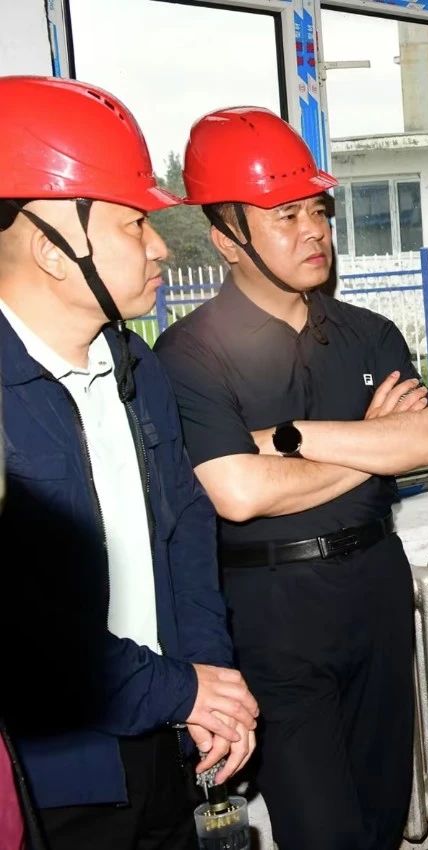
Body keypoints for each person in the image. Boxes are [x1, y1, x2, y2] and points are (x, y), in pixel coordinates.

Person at [153, 106, 428, 850]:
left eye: (318, 211)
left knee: (383, 813)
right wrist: (370, 443)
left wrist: (288, 440)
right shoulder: (188, 355)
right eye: (286, 216)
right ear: (226, 239)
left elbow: (423, 442)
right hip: (271, 611)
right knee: (321, 831)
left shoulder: (369, 334)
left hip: (375, 588)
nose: (314, 230)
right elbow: (239, 493)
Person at [0, 75, 256, 849]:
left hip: (164, 736)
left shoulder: (136, 368)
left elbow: (187, 537)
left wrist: (210, 685)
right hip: (56, 777)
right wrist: (184, 690)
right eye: (133, 223)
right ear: (51, 249)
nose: (159, 246)